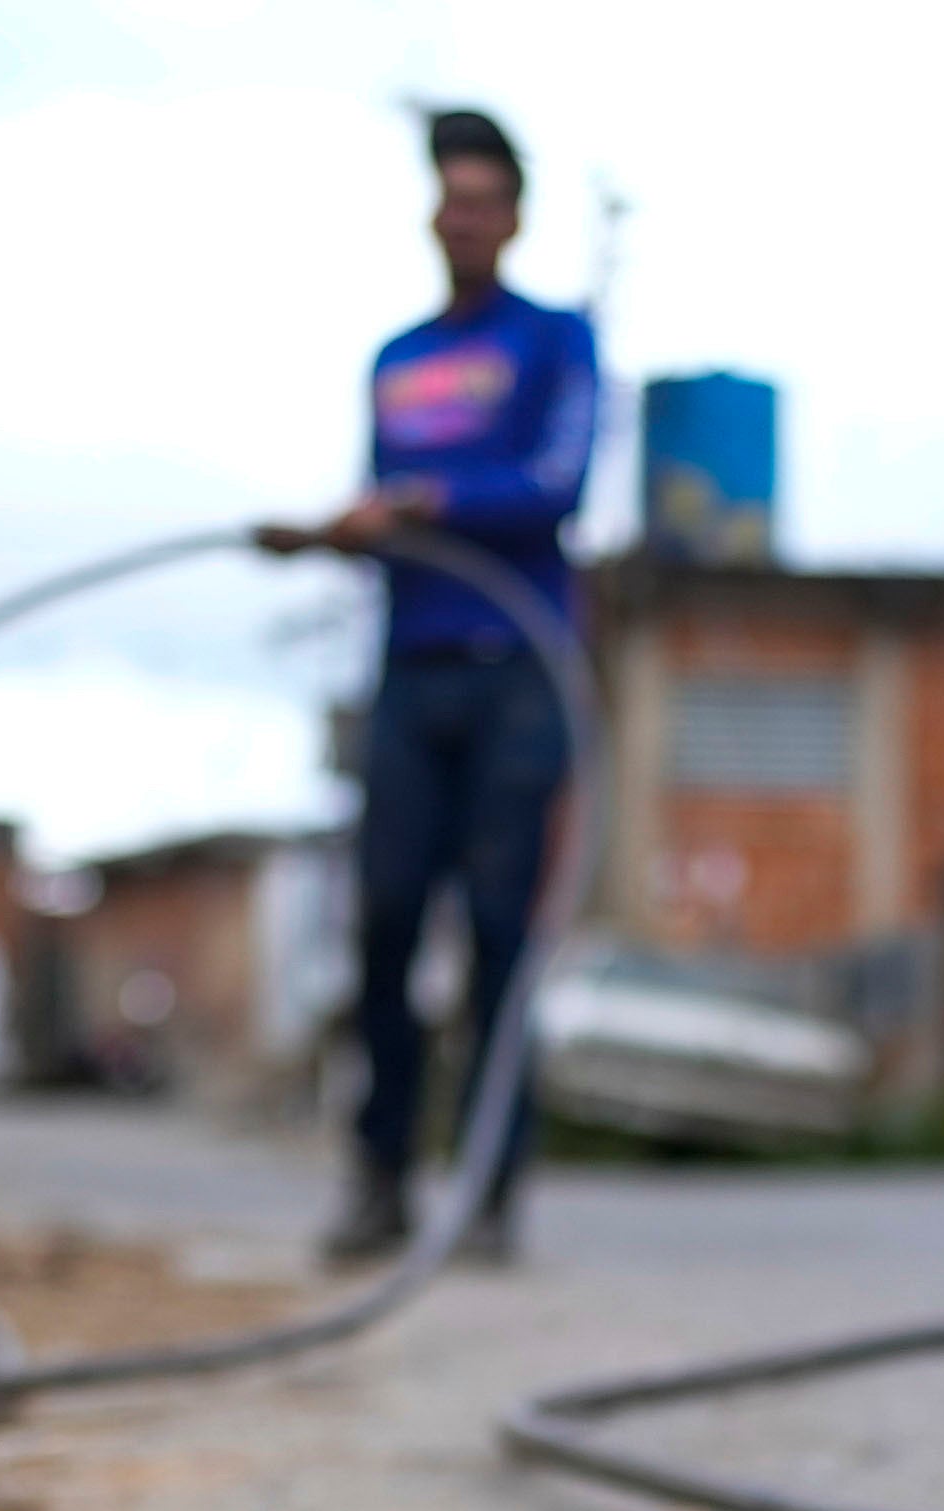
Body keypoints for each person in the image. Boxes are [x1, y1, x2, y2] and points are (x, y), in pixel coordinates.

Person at [258, 106, 591, 1266]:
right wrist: (330, 534)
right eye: (449, 199)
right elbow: (380, 503)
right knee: (387, 924)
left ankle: (491, 1192)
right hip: (409, 674)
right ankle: (379, 1179)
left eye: (484, 199)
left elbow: (556, 486)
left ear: (512, 217)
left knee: (498, 929)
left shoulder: (558, 342)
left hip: (518, 675)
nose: (465, 218)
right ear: (433, 215)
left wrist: (422, 506)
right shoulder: (396, 363)